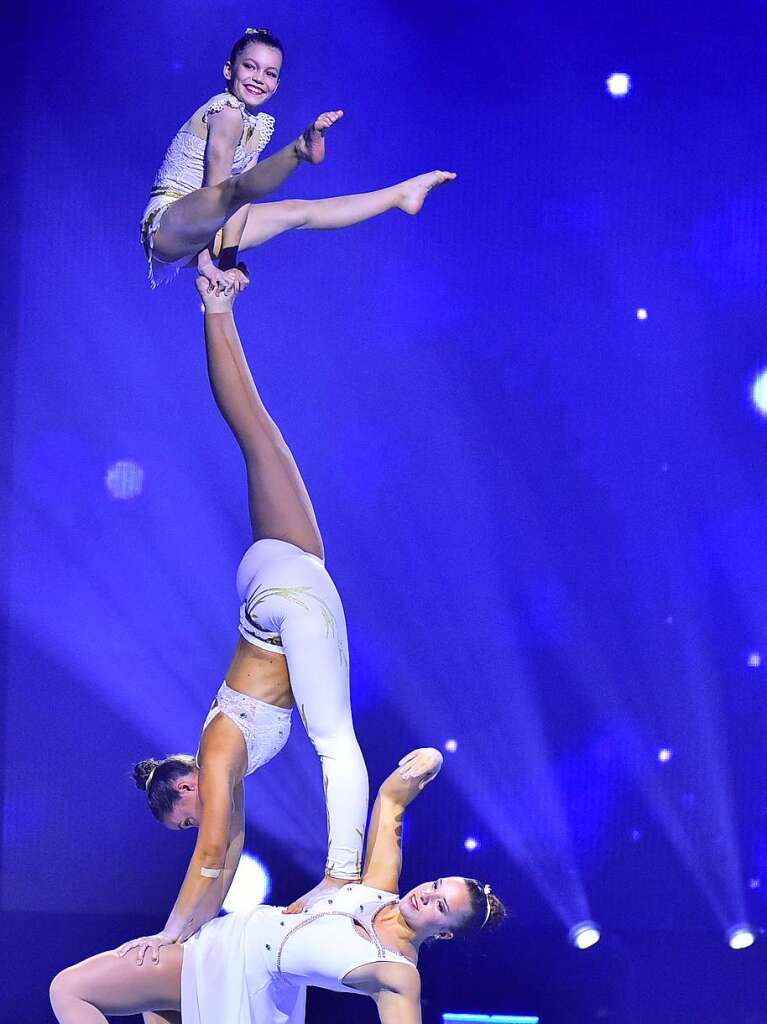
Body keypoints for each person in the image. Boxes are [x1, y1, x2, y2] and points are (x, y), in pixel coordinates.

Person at [50, 746, 506, 1024]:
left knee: (68, 989)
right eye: (437, 883)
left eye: (441, 906)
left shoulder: (398, 972)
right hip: (231, 950)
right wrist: (432, 759)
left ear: (443, 932)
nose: (428, 893)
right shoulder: (378, 887)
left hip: (233, 970)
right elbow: (390, 801)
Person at [141, 27, 455, 288]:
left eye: (270, 73)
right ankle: (298, 149)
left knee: (298, 211)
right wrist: (208, 266)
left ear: (277, 86)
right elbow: (216, 191)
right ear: (229, 70)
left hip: (205, 231)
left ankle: (401, 194)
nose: (258, 78)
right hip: (169, 224)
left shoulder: (257, 126)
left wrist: (230, 262)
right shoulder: (226, 112)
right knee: (231, 191)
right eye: (249, 66)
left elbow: (240, 203)